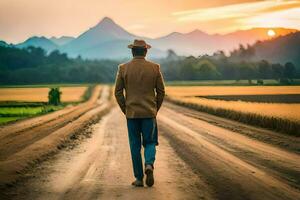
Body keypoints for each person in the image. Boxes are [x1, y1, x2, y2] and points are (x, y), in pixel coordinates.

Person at [114, 39, 165, 187]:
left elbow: (117, 93)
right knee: (150, 142)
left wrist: (126, 109)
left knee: (135, 146)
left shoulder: (123, 68)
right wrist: (155, 109)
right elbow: (161, 92)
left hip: (132, 114)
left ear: (132, 51)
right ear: (146, 51)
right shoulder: (155, 68)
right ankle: (149, 164)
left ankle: (138, 178)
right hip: (149, 113)